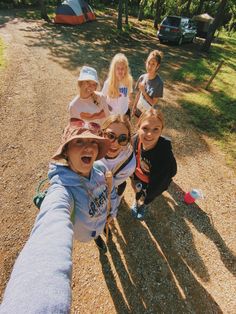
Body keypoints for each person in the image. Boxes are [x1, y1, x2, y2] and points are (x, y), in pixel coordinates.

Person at [0, 126, 117, 313]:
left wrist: (111, 209)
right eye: (79, 141)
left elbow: (109, 188)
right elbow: (50, 230)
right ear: (66, 152)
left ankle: (98, 238)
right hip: (82, 233)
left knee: (97, 235)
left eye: (93, 141)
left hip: (101, 221)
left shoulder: (99, 168)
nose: (89, 147)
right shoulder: (62, 190)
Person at [130, 109, 177, 220]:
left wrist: (148, 197)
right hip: (137, 175)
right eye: (145, 128)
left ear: (161, 131)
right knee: (137, 190)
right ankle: (136, 200)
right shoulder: (134, 140)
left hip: (153, 182)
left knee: (147, 196)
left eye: (156, 129)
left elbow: (160, 183)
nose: (149, 134)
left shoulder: (164, 154)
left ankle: (143, 205)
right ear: (138, 127)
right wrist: (132, 176)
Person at [95, 115, 136, 210]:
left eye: (122, 139)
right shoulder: (91, 147)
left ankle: (119, 199)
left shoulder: (129, 163)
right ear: (102, 133)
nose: (115, 143)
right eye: (110, 136)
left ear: (128, 140)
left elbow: (111, 186)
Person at [132, 50, 164, 118]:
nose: (150, 66)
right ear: (146, 62)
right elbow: (138, 94)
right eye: (149, 63)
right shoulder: (142, 77)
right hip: (139, 108)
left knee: (144, 127)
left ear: (157, 66)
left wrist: (144, 92)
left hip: (148, 113)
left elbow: (153, 103)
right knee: (137, 127)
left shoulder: (159, 83)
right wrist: (134, 107)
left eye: (153, 64)